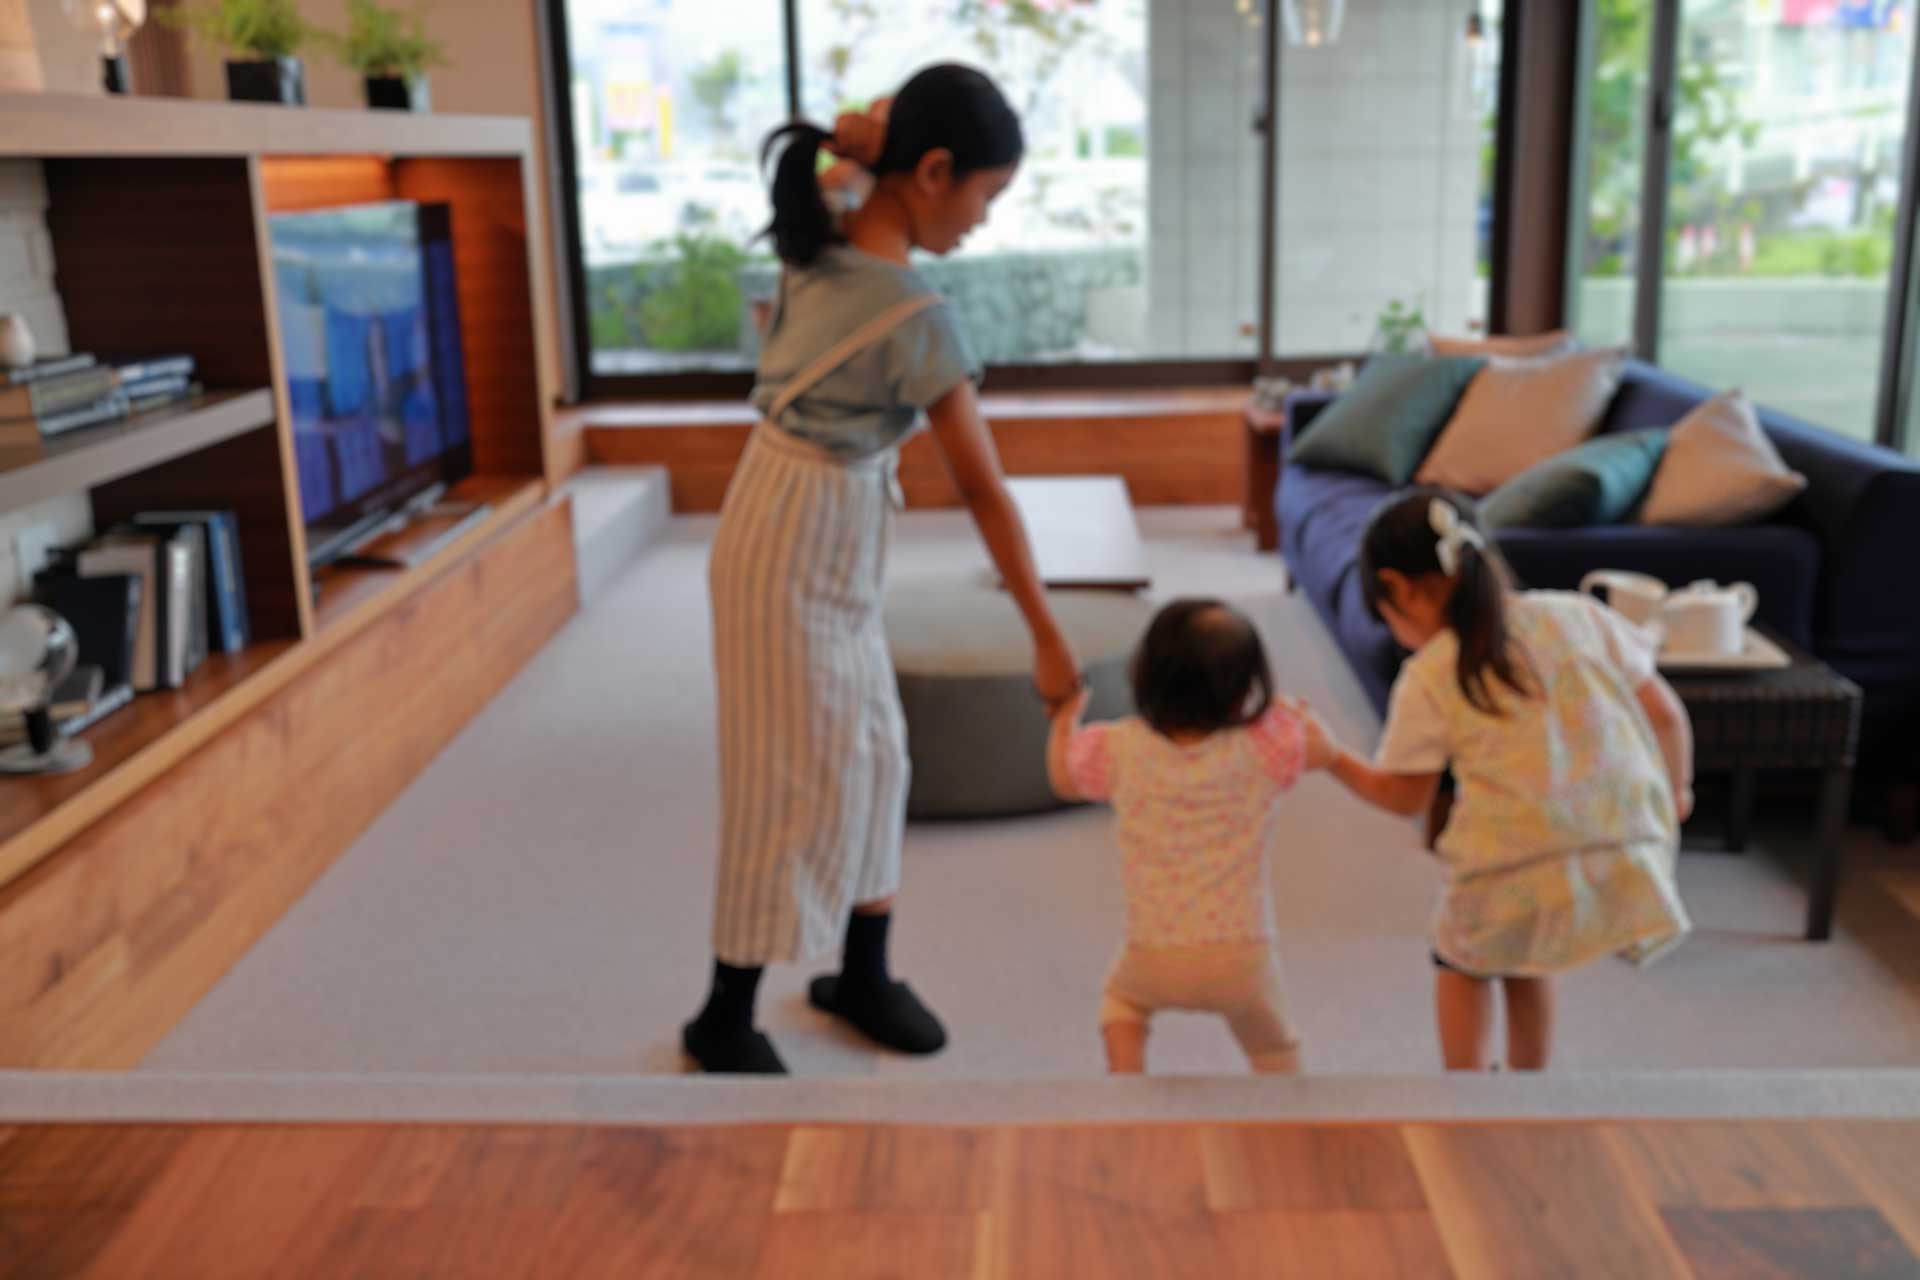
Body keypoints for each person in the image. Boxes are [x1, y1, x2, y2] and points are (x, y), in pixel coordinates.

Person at [683, 64, 1082, 1074]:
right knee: (787, 774)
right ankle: (722, 1013)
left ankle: (860, 970)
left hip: (817, 531)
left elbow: (832, 163)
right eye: (986, 195)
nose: (985, 220)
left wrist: (861, 143)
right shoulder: (912, 312)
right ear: (933, 172)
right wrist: (1044, 631)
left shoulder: (826, 230)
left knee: (876, 750)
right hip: (785, 547)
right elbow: (985, 492)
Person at [1297, 490, 1694, 1072]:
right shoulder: (1577, 615)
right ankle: (1528, 1086)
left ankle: (1468, 1092)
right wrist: (1676, 792)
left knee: (1462, 964)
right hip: (1623, 846)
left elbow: (1404, 795)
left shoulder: (1432, 672)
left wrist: (1332, 756)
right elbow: (1666, 715)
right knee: (1528, 957)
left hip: (1510, 864)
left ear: (1397, 588)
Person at [1047, 599, 1321, 1076]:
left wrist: (1064, 721)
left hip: (1152, 954)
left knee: (1120, 1006)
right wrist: (1279, 710)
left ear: (1144, 678)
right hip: (1243, 957)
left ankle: (1128, 1085)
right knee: (1275, 1048)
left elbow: (1064, 779)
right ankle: (1289, 1120)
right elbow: (1315, 746)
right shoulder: (1264, 749)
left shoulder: (1120, 748)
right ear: (1244, 693)